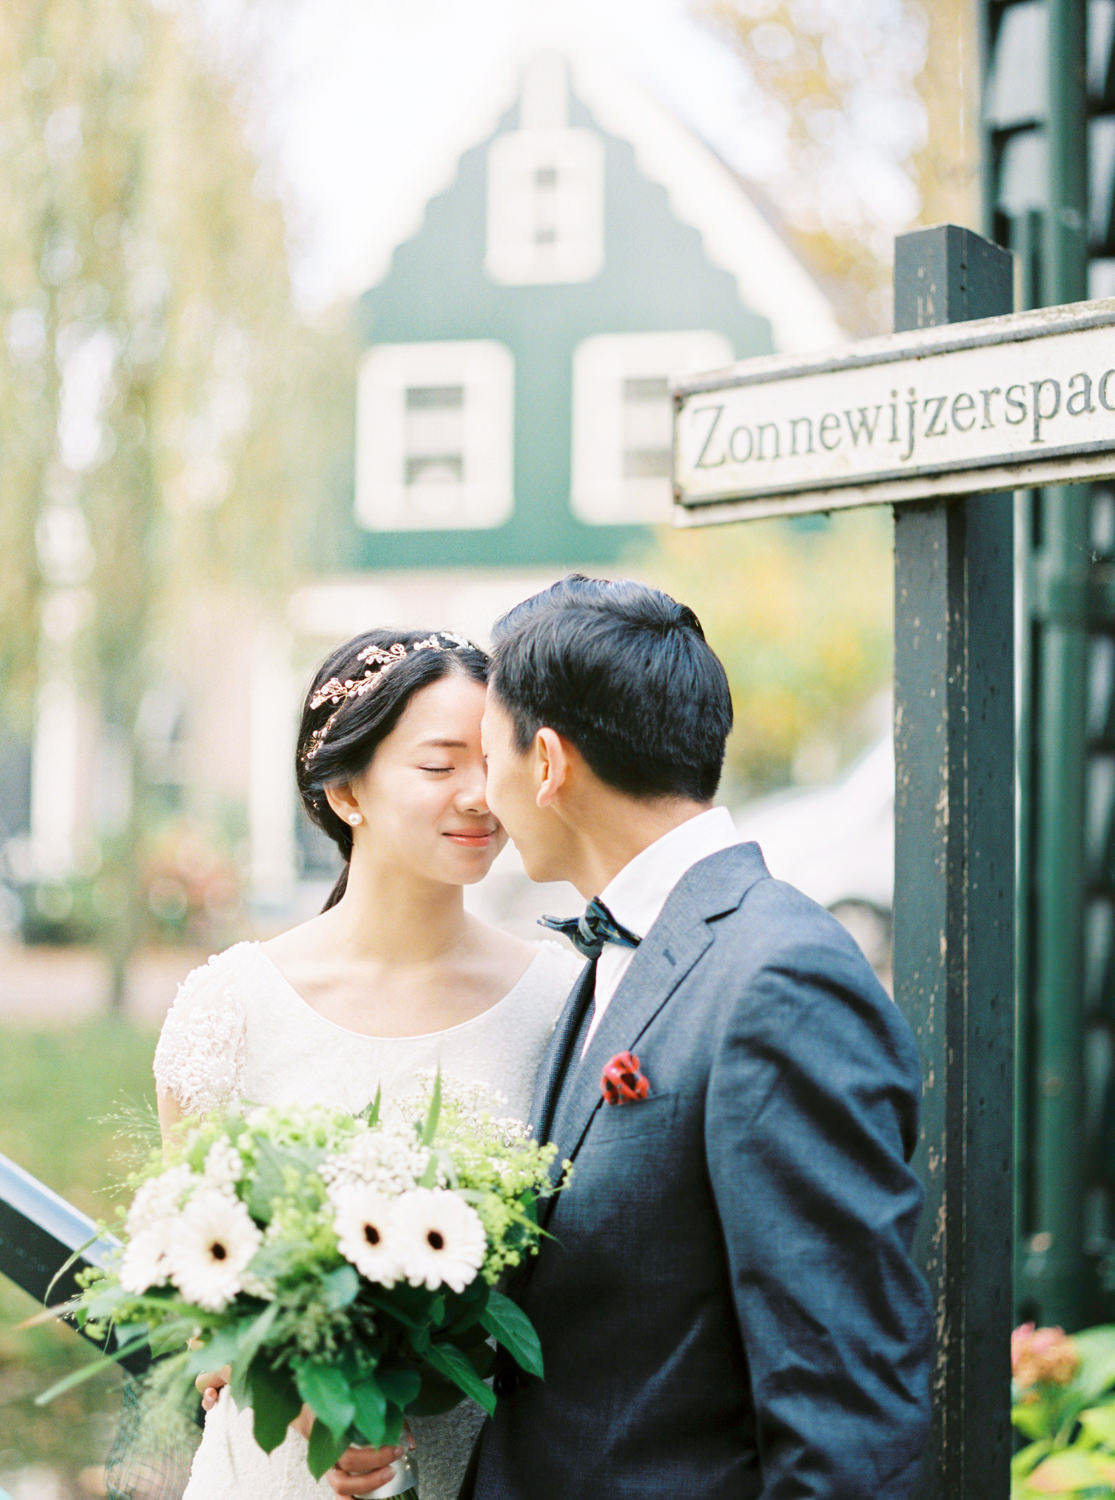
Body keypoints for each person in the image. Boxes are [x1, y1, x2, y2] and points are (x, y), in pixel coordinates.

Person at [455, 576, 930, 1498]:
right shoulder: (605, 953)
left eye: (486, 755)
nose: (483, 792)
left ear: (546, 763)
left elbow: (845, 1412)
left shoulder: (779, 978)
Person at [152, 627, 581, 1500]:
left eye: (492, 761)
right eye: (438, 766)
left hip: (487, 1467)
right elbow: (195, 1278)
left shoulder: (562, 1001)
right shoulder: (230, 1005)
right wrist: (307, 1393)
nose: (479, 796)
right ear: (345, 790)